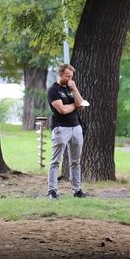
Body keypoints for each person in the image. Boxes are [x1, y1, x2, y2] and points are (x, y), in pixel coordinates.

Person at [46, 63, 86, 200]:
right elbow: (62, 110)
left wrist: (74, 89)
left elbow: (82, 106)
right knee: (56, 161)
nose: (70, 79)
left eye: (71, 76)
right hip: (60, 128)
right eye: (67, 76)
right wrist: (75, 105)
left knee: (76, 161)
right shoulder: (53, 90)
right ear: (60, 74)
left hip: (76, 127)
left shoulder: (71, 88)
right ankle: (52, 191)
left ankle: (77, 190)